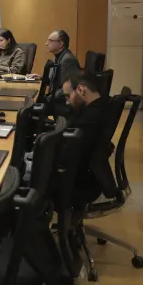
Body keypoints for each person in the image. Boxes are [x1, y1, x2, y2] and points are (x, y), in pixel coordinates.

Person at [61, 72, 111, 205]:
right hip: (89, 177)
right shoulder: (102, 107)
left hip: (80, 183)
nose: (67, 102)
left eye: (68, 96)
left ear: (81, 90)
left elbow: (69, 153)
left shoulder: (89, 119)